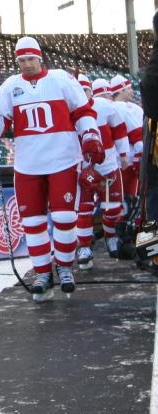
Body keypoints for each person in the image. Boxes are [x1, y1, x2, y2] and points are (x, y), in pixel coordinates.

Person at [0, 38, 103, 301]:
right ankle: (43, 273)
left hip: (62, 159)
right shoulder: (10, 86)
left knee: (65, 218)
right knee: (32, 223)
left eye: (30, 58)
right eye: (21, 60)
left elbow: (81, 110)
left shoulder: (61, 79)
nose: (26, 64)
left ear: (40, 58)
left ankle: (64, 267)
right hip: (28, 164)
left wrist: (90, 134)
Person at [74, 74, 130, 268]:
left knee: (112, 207)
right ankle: (84, 246)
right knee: (85, 209)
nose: (82, 94)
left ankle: (110, 235)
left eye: (85, 90)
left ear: (90, 90)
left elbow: (119, 129)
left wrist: (123, 154)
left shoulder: (105, 106)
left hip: (107, 167)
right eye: (78, 90)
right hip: (83, 169)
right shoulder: (66, 110)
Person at [108, 73, 144, 213]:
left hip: (115, 158)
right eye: (128, 88)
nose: (131, 91)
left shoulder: (113, 106)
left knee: (118, 199)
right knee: (129, 197)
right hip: (128, 159)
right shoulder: (124, 107)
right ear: (121, 90)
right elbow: (138, 134)